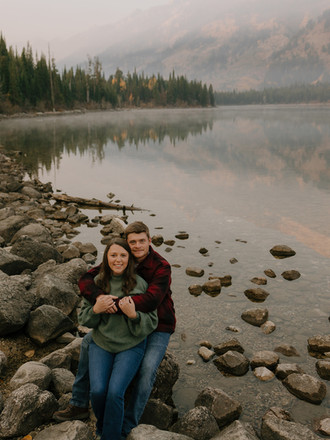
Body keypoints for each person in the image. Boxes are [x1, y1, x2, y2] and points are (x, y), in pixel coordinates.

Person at [53, 221, 176, 438]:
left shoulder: (161, 266)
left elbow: (151, 300)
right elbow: (85, 279)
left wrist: (113, 305)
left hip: (159, 324)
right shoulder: (119, 258)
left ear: (149, 240)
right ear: (127, 245)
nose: (137, 246)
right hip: (121, 318)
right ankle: (80, 403)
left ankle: (128, 424)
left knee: (147, 369)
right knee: (88, 343)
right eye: (133, 242)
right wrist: (99, 300)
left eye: (141, 241)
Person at [78, 237, 158, 440]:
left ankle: (111, 437)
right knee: (97, 391)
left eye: (123, 255)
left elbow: (152, 321)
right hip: (101, 343)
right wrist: (96, 309)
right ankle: (104, 428)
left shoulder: (139, 284)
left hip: (131, 345)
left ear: (129, 259)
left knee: (115, 392)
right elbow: (84, 318)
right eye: (113, 255)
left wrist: (133, 315)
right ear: (106, 258)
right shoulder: (97, 283)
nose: (118, 260)